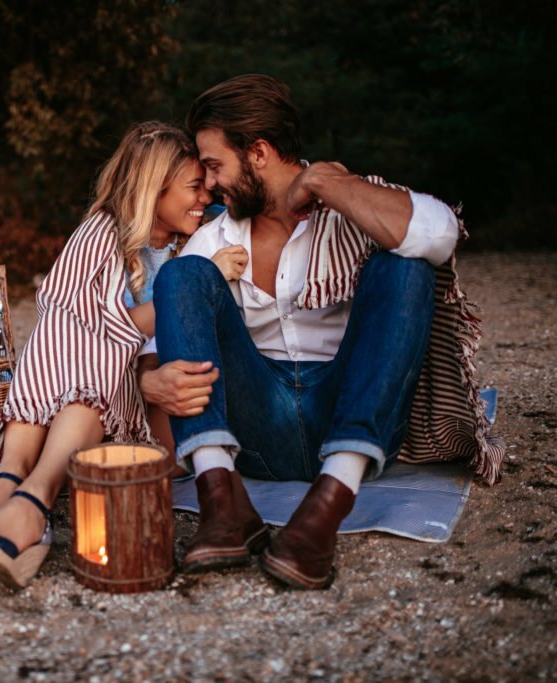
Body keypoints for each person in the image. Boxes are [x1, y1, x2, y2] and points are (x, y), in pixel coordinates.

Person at [140, 74, 504, 590]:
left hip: (349, 412)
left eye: (216, 166)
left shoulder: (352, 209)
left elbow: (441, 234)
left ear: (259, 152)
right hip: (257, 432)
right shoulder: (214, 238)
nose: (211, 183)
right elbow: (162, 346)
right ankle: (223, 503)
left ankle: (325, 509)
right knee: (182, 274)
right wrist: (147, 382)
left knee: (407, 265)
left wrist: (329, 185)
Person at [0, 121, 247, 589]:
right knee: (69, 330)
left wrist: (201, 272)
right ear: (154, 188)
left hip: (144, 413)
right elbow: (79, 315)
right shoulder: (102, 233)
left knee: (89, 348)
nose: (205, 197)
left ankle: (29, 501)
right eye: (192, 187)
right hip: (82, 390)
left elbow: (135, 331)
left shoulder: (192, 247)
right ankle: (9, 487)